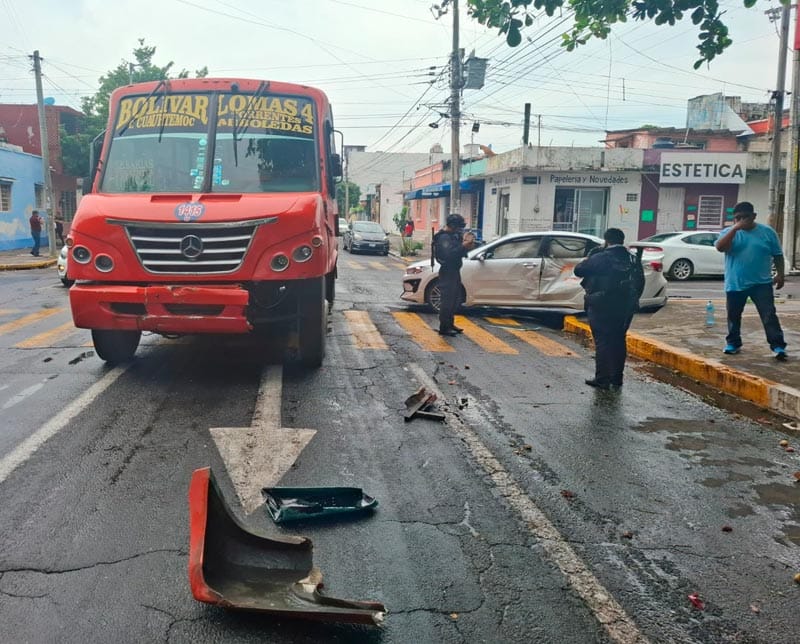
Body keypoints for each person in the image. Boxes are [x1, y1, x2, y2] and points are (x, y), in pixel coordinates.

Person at [714, 201, 787, 360]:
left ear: (753, 216)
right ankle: (733, 343)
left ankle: (778, 345)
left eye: (744, 217)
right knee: (733, 315)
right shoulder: (729, 232)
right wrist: (734, 229)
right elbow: (720, 247)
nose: (741, 221)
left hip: (761, 283)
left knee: (769, 315)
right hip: (735, 283)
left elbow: (777, 255)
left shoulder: (767, 232)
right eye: (737, 218)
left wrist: (780, 274)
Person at [574, 228, 643, 390]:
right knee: (619, 339)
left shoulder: (600, 257)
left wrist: (590, 257)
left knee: (603, 340)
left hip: (601, 304)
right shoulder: (632, 258)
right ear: (622, 240)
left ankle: (602, 378)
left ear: (606, 241)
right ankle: (617, 378)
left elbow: (578, 270)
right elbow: (640, 282)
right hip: (625, 306)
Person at [432, 213, 476, 336]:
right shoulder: (444, 238)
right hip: (447, 272)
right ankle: (444, 327)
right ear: (452, 225)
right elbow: (449, 255)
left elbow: (459, 252)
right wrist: (463, 246)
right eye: (458, 227)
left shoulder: (453, 236)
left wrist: (467, 244)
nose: (460, 229)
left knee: (454, 299)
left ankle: (450, 324)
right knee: (447, 300)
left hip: (455, 271)